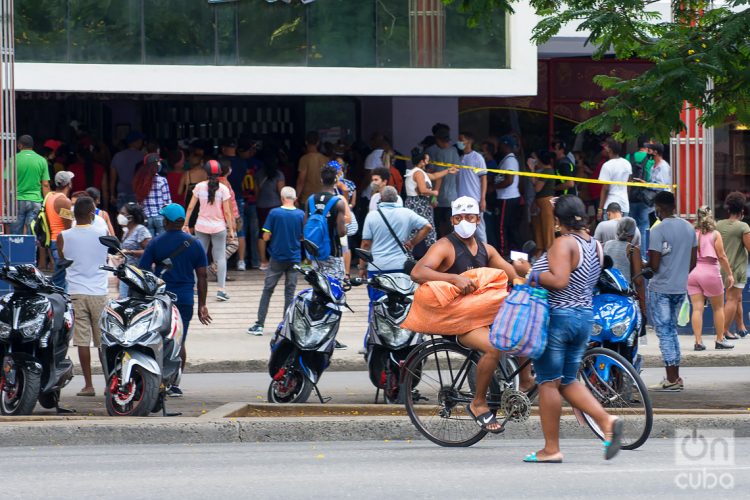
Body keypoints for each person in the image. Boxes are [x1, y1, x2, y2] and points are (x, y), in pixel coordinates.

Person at [513, 195, 623, 463]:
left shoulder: (564, 243)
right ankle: (606, 421)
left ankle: (551, 449)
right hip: (583, 317)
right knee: (567, 380)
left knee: (548, 382)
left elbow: (559, 280)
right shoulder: (594, 245)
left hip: (559, 318)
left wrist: (530, 271)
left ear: (559, 222)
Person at [411, 196, 533, 434]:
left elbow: (513, 275)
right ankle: (478, 403)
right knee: (492, 347)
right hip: (457, 319)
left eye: (469, 217)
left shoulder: (486, 249)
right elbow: (418, 272)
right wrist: (453, 278)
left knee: (525, 326)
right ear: (452, 220)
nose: (464, 222)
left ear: (478, 219)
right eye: (459, 217)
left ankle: (526, 381)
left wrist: (531, 279)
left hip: (482, 314)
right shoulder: (445, 246)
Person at [140, 203, 211, 397]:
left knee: (158, 339)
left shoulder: (155, 243)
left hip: (160, 299)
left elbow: (143, 272)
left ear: (166, 222)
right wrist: (203, 304)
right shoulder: (195, 243)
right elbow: (202, 276)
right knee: (179, 341)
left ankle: (156, 381)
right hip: (185, 299)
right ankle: (174, 384)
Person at [56, 196, 108, 397]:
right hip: (99, 293)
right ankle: (109, 383)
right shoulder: (102, 232)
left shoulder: (64, 235)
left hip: (76, 292)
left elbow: (62, 257)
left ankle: (88, 385)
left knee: (83, 341)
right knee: (103, 342)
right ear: (90, 214)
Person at [647, 191, 697, 391]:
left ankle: (671, 378)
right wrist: (678, 273)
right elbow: (693, 262)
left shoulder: (657, 230)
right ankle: (675, 377)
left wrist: (643, 265)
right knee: (672, 331)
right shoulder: (689, 228)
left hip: (661, 288)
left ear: (659, 208)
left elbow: (654, 265)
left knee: (664, 332)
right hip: (679, 287)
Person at [247, 187, 305, 336]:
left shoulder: (274, 213)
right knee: (290, 292)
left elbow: (265, 236)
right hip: (295, 258)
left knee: (268, 290)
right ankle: (287, 324)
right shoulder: (301, 214)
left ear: (281, 197)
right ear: (295, 198)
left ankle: (259, 324)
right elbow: (303, 237)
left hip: (277, 257)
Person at [184, 160, 236, 302]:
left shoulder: (199, 187)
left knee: (199, 256)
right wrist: (231, 229)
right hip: (219, 227)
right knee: (219, 257)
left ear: (206, 172)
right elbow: (227, 212)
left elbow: (190, 207)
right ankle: (221, 290)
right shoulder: (223, 189)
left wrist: (186, 223)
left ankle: (195, 287)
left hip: (201, 226)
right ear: (219, 172)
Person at [687, 206, 734, 351]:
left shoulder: (692, 233)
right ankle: (720, 339)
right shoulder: (715, 234)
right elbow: (721, 256)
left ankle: (698, 342)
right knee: (718, 307)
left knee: (697, 308)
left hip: (693, 272)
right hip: (710, 271)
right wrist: (730, 273)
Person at [404, 149, 455, 253]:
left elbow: (435, 176)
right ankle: (432, 255)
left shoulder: (419, 172)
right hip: (418, 203)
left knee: (416, 230)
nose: (428, 162)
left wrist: (448, 170)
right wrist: (434, 193)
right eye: (427, 160)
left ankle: (410, 255)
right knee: (427, 230)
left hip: (418, 203)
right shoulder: (418, 173)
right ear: (422, 161)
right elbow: (422, 190)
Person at [717, 192, 750, 339]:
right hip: (736, 270)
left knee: (736, 297)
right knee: (732, 299)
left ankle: (739, 326)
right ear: (742, 210)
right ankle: (723, 332)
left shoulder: (718, 224)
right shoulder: (743, 227)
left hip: (721, 268)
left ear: (728, 208)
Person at [603, 217, 646, 320]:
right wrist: (643, 307)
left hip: (605, 296)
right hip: (624, 299)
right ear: (633, 233)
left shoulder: (603, 245)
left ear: (616, 230)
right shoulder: (633, 250)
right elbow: (638, 282)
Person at [425, 124, 461, 238]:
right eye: (444, 140)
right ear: (437, 139)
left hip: (445, 197)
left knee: (446, 225)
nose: (446, 143)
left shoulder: (451, 150)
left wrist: (434, 197)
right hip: (439, 197)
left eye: (447, 141)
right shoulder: (432, 151)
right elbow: (435, 174)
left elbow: (437, 176)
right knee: (440, 225)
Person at [11, 135, 50, 235]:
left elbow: (7, 183)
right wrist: (48, 203)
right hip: (35, 201)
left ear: (19, 145)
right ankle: (30, 250)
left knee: (15, 233)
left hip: (17, 201)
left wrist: (5, 202)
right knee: (32, 232)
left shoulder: (12, 160)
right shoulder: (42, 160)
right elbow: (45, 184)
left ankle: (16, 249)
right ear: (32, 146)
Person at [255, 151, 286, 270]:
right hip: (276, 206)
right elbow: (281, 192)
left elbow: (256, 193)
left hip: (262, 206)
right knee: (277, 233)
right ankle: (277, 260)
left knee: (262, 232)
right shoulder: (279, 175)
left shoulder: (258, 174)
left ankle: (263, 261)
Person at [457, 132, 488, 242]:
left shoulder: (477, 158)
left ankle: (485, 254)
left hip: (475, 199)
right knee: (464, 229)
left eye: (462, 139)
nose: (459, 142)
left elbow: (483, 178)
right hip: (461, 201)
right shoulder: (460, 158)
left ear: (469, 141)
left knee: (479, 230)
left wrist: (483, 199)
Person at [47, 171, 76, 289]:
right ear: (69, 184)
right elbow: (68, 227)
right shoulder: (64, 201)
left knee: (61, 280)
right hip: (62, 244)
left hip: (54, 240)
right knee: (60, 283)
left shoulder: (50, 196)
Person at [117, 202, 152, 299]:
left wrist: (130, 252)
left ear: (131, 217)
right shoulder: (126, 231)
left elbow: (149, 252)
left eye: (123, 213)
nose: (120, 216)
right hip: (126, 274)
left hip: (137, 275)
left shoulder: (141, 230)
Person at [495, 135, 523, 256]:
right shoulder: (507, 159)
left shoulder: (510, 160)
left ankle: (502, 252)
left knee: (502, 227)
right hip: (508, 197)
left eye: (501, 145)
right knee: (510, 227)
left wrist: (494, 187)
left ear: (505, 146)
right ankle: (515, 252)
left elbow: (509, 180)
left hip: (507, 197)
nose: (499, 147)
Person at [625, 137, 656, 245]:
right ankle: (642, 256)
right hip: (644, 197)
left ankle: (631, 254)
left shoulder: (628, 157)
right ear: (647, 146)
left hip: (630, 197)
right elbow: (651, 178)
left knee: (631, 227)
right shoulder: (651, 160)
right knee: (643, 226)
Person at [133, 153, 172, 237]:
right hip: (161, 216)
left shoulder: (140, 181)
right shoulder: (162, 180)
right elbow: (167, 202)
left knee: (150, 244)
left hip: (146, 217)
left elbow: (138, 202)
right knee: (162, 242)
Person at [528, 150, 556, 253]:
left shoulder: (547, 171)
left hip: (546, 202)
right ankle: (540, 250)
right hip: (541, 202)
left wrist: (532, 170)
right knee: (539, 227)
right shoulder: (545, 171)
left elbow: (537, 188)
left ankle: (550, 251)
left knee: (547, 228)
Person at [597, 138, 632, 221]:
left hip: (610, 206)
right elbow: (629, 185)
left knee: (609, 233)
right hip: (624, 206)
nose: (604, 148)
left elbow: (605, 188)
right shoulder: (627, 163)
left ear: (610, 149)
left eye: (606, 146)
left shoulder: (607, 165)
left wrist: (600, 209)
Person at [110, 131, 144, 209]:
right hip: (137, 192)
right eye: (140, 141)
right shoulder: (143, 156)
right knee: (136, 218)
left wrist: (112, 195)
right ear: (136, 141)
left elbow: (113, 179)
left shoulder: (117, 156)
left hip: (121, 191)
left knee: (122, 218)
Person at [178, 141, 208, 230]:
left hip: (190, 204)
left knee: (190, 228)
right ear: (201, 162)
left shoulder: (186, 174)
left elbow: (179, 192)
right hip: (203, 204)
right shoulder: (206, 173)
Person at [296, 131, 328, 206]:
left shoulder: (304, 159)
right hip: (323, 197)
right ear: (318, 143)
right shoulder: (326, 159)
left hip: (307, 198)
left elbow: (301, 180)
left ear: (306, 142)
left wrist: (296, 197)